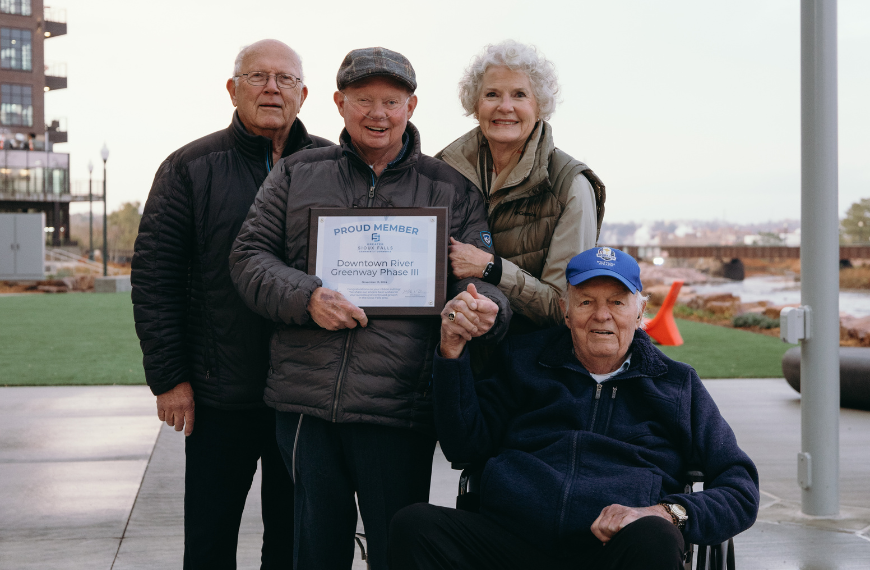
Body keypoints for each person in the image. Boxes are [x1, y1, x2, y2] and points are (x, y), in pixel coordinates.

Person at [229, 47, 510, 570]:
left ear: (411, 106)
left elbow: (484, 282)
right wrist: (307, 297)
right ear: (339, 103)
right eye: (363, 100)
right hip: (306, 404)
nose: (377, 113)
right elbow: (248, 257)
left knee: (397, 549)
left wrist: (485, 309)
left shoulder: (450, 187)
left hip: (399, 406)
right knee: (312, 552)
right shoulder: (296, 173)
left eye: (391, 101)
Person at [390, 247, 760, 570]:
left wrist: (668, 513)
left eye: (617, 301)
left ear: (640, 312)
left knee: (655, 537)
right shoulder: (522, 360)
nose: (602, 315)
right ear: (566, 312)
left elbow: (740, 487)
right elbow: (464, 446)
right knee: (414, 524)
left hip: (610, 552)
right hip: (512, 543)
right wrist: (451, 351)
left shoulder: (676, 384)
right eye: (586, 301)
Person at [131, 39, 332, 570]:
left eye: (285, 79)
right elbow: (156, 278)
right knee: (209, 535)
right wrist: (169, 378)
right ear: (232, 88)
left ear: (304, 93)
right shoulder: (190, 168)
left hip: (304, 393)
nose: (272, 88)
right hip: (221, 391)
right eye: (258, 76)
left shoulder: (334, 165)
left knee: (293, 541)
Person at [437, 40, 606, 335]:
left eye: (519, 95)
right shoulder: (442, 172)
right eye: (492, 94)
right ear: (475, 106)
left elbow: (565, 307)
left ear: (539, 106)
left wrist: (492, 268)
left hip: (529, 365)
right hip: (450, 347)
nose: (505, 107)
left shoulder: (571, 187)